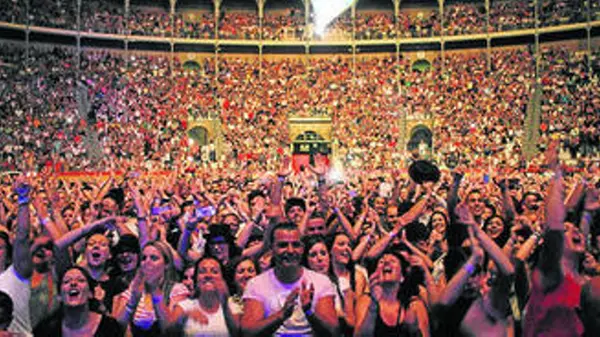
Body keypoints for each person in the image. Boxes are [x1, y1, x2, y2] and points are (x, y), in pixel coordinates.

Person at [241, 222, 339, 336]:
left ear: (302, 248)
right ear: (272, 248)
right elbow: (248, 333)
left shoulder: (320, 282)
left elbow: (333, 332)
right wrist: (282, 315)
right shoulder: (256, 284)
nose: (290, 251)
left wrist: (309, 312)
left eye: (296, 245)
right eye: (283, 245)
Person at [113, 240, 189, 336]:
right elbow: (116, 329)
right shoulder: (132, 291)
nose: (147, 262)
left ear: (166, 264)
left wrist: (155, 291)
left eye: (154, 258)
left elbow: (171, 331)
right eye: (144, 258)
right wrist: (133, 299)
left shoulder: (178, 290)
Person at [354, 251, 429, 336]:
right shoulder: (366, 300)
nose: (386, 262)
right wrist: (373, 304)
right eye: (381, 262)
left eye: (393, 261)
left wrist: (414, 330)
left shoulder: (415, 305)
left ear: (402, 277)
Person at [33, 266, 123, 337]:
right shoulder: (46, 330)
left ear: (90, 294)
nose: (73, 283)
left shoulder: (110, 328)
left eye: (80, 280)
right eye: (66, 281)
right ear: (59, 296)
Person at [170, 257, 238, 336]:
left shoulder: (233, 307)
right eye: (202, 272)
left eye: (214, 272)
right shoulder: (184, 307)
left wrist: (225, 304)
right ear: (196, 279)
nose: (208, 275)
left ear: (223, 279)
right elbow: (167, 332)